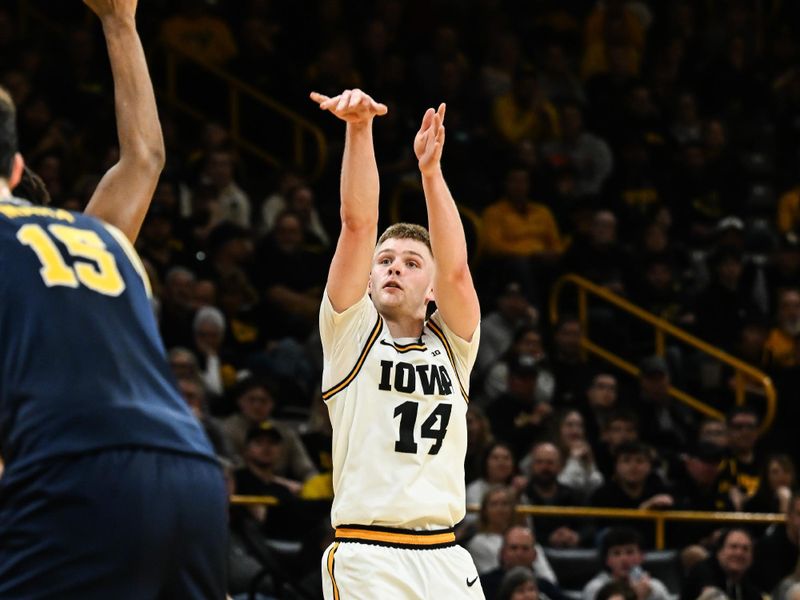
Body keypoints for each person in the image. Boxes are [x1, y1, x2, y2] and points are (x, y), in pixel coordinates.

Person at [0, 1, 227, 598]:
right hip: (192, 470)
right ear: (20, 171)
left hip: (78, 474)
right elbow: (146, 159)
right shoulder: (99, 239)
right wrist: (120, 21)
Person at [310, 88, 483, 598]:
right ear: (367, 279)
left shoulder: (454, 346)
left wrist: (431, 173)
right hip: (369, 554)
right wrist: (359, 128)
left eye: (411, 264)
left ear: (430, 291)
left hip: (448, 556)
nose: (393, 268)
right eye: (385, 261)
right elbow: (358, 225)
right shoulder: (351, 335)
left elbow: (455, 269)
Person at [582, 528, 671, 600]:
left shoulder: (655, 588)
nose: (624, 559)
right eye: (616, 553)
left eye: (630, 552)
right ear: (607, 560)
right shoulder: (595, 588)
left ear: (642, 557)